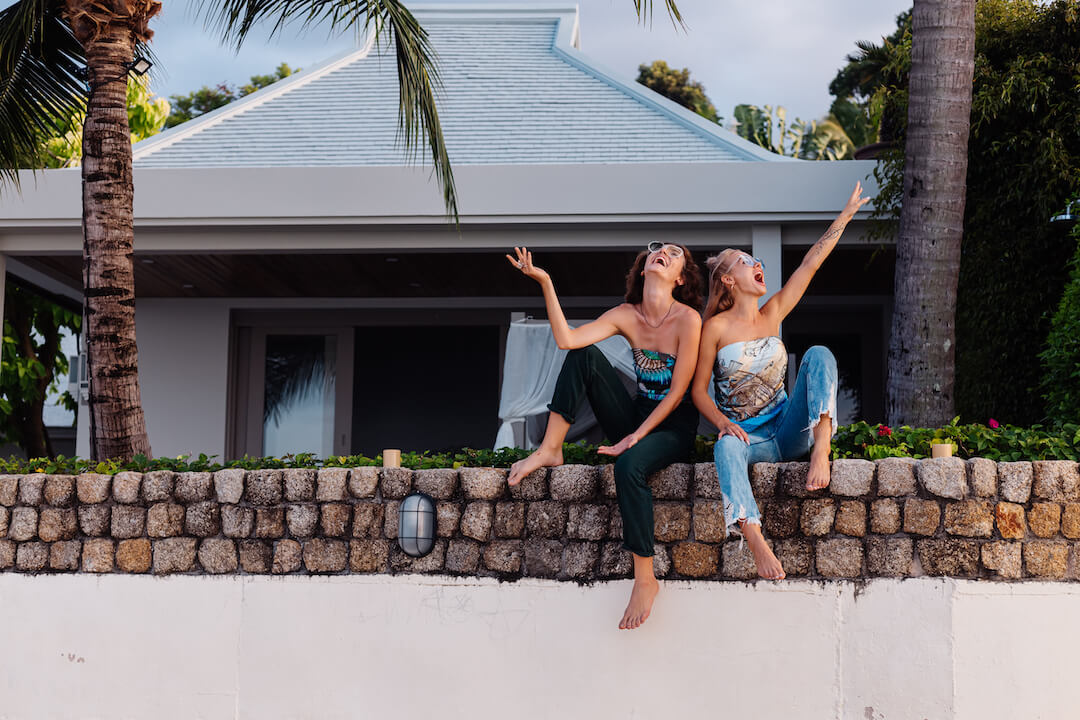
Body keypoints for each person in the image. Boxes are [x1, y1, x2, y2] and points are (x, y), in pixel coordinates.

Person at [505, 242, 703, 629]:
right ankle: (550, 448)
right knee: (584, 355)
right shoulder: (625, 315)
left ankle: (645, 579)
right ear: (644, 267)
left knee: (629, 464)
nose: (663, 252)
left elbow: (679, 391)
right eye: (657, 249)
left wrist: (636, 438)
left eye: (674, 252)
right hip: (637, 418)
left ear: (680, 278)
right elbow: (567, 340)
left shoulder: (688, 320)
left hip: (673, 426)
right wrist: (545, 282)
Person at [691, 183, 870, 580]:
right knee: (724, 451)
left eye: (757, 261)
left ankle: (821, 446)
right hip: (749, 438)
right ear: (729, 281)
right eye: (744, 262)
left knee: (819, 353)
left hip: (788, 430)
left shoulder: (772, 313)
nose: (757, 265)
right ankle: (754, 539)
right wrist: (723, 425)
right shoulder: (714, 328)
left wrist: (845, 216)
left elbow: (809, 265)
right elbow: (698, 391)